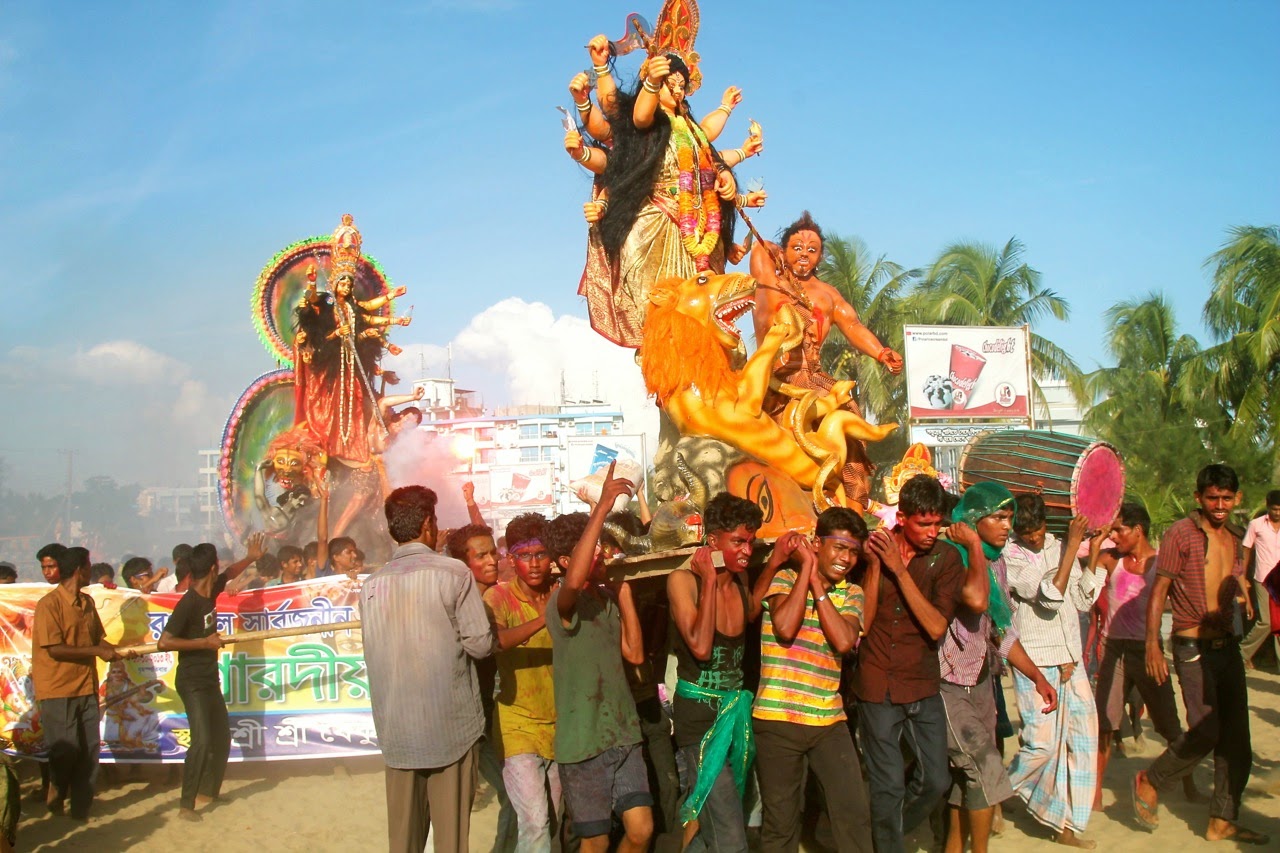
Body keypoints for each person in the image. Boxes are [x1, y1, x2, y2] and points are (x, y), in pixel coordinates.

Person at [1134, 465, 1268, 844]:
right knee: (1207, 729)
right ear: (1199, 498)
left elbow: (1234, 580)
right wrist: (1152, 644)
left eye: (1227, 498)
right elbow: (1159, 589)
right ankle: (1151, 780)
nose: (1220, 505)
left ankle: (1222, 820)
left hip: (1227, 647)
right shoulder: (1182, 534)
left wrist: (1242, 596)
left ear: (1237, 499)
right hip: (1191, 645)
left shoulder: (1236, 537)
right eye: (1213, 498)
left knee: (1238, 744)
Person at [359, 485, 497, 853]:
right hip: (450, 729)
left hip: (397, 733)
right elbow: (481, 645)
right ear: (428, 524)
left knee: (402, 842)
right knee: (451, 841)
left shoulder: (371, 586)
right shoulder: (454, 573)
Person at [749, 211, 903, 508]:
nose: (804, 255)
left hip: (815, 377)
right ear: (783, 251)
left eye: (812, 250)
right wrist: (772, 252)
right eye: (796, 248)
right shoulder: (769, 281)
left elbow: (853, 327)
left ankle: (856, 503)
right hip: (774, 379)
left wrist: (881, 352)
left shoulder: (827, 295)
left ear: (820, 257)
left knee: (850, 418)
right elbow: (759, 248)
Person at [935, 484, 1058, 853]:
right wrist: (972, 546)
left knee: (966, 779)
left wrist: (1036, 676)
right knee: (986, 767)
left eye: (1009, 518)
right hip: (946, 682)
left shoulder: (998, 563)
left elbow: (999, 631)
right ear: (973, 520)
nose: (1007, 526)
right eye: (999, 517)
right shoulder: (952, 558)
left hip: (982, 683)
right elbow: (976, 604)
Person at [854, 474, 965, 853]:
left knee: (935, 779)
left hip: (921, 683)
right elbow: (862, 626)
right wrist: (873, 567)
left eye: (938, 523)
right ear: (901, 518)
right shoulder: (874, 551)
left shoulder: (947, 559)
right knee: (887, 783)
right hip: (876, 683)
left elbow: (936, 626)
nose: (933, 532)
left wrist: (899, 571)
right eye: (924, 523)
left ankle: (888, 832)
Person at [754, 506, 872, 852]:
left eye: (853, 551)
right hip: (777, 720)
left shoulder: (852, 594)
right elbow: (785, 627)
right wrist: (805, 569)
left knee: (853, 812)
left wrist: (818, 585)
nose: (847, 558)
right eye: (839, 547)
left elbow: (844, 640)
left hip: (828, 720)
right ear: (817, 544)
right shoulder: (785, 580)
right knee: (781, 825)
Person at [547, 463, 652, 852]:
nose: (601, 553)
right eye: (592, 549)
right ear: (563, 560)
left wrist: (622, 590)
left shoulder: (606, 599)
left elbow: (636, 654)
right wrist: (601, 508)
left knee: (641, 832)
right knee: (595, 844)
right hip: (583, 745)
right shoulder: (562, 602)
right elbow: (575, 580)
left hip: (623, 736)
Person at [1003, 496, 1102, 848]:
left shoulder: (1060, 547)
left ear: (1046, 524)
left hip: (1070, 659)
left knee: (1082, 742)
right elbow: (1048, 596)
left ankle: (1068, 826)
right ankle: (996, 792)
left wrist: (1095, 553)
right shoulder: (1009, 555)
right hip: (1035, 662)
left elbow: (1081, 600)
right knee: (1042, 747)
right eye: (1025, 532)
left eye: (1038, 530)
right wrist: (1074, 547)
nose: (1032, 538)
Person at [667, 493, 763, 852]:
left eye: (751, 542)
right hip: (700, 721)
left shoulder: (741, 580)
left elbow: (750, 613)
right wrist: (708, 580)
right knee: (730, 838)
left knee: (720, 826)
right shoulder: (683, 582)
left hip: (734, 715)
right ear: (713, 542)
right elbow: (701, 647)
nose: (746, 551)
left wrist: (777, 561)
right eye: (738, 542)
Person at [1090, 501, 1200, 808]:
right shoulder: (1111, 560)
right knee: (1105, 725)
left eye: (1118, 529)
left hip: (1148, 650)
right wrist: (1096, 539)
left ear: (1138, 530)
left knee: (1169, 725)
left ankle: (1187, 783)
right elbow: (1081, 573)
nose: (1114, 536)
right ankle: (1096, 793)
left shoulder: (1161, 564)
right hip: (1114, 649)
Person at [484, 518, 560, 852]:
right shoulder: (497, 596)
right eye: (525, 555)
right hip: (516, 724)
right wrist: (544, 617)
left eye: (541, 553)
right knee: (535, 821)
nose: (534, 563)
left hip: (560, 724)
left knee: (553, 822)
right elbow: (497, 640)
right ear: (511, 559)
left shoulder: (561, 593)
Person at [32, 546, 117, 819]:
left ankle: (81, 808)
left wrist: (115, 650)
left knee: (90, 751)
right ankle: (56, 787)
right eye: (88, 566)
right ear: (80, 570)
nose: (91, 571)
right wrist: (97, 652)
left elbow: (97, 640)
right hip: (56, 688)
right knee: (65, 750)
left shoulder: (88, 603)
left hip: (86, 686)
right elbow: (55, 649)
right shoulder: (49, 605)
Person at [448, 519, 517, 853]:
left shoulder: (496, 599)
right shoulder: (456, 610)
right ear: (464, 564)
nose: (493, 560)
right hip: (469, 725)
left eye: (494, 553)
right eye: (482, 556)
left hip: (494, 718)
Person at [157, 543, 229, 821]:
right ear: (213, 568)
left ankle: (208, 793)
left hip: (209, 678)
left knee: (221, 737)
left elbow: (231, 572)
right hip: (192, 681)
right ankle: (186, 805)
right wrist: (204, 642)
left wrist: (250, 557)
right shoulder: (188, 603)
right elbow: (165, 641)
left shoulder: (212, 589)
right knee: (201, 740)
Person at [1240, 489, 1280, 668]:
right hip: (1263, 578)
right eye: (1274, 509)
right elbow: (1246, 550)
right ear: (1267, 506)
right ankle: (1241, 653)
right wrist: (1242, 575)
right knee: (1267, 622)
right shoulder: (1256, 524)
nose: (1277, 513)